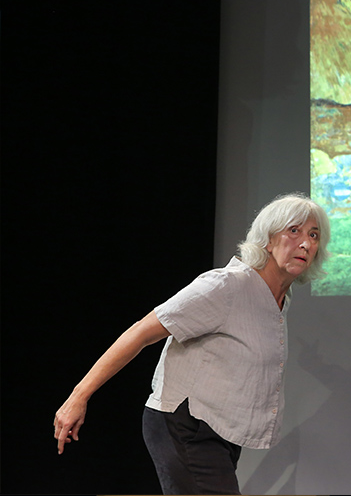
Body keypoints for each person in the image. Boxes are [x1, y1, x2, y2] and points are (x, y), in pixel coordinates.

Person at [53, 192, 331, 494]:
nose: (305, 243)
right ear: (268, 239)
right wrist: (78, 397)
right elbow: (141, 332)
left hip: (218, 432)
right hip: (185, 425)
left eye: (313, 235)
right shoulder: (227, 285)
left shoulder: (279, 300)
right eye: (294, 231)